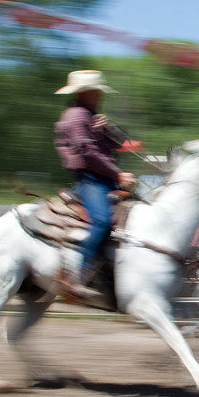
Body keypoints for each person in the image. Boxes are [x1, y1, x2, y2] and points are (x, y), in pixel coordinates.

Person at [53, 70, 136, 295]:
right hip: (91, 180)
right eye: (97, 92)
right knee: (101, 221)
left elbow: (126, 144)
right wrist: (118, 174)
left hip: (106, 179)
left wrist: (109, 129)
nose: (100, 96)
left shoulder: (91, 117)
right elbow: (87, 153)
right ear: (85, 92)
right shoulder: (76, 117)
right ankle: (77, 273)